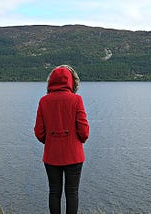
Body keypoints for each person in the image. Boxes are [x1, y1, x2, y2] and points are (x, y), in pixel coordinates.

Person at [34, 65, 89, 214]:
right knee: (72, 193)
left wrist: (52, 141)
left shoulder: (44, 101)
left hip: (52, 156)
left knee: (54, 192)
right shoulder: (77, 99)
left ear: (51, 81)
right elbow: (84, 132)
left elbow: (39, 132)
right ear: (71, 81)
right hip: (74, 155)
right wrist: (75, 141)